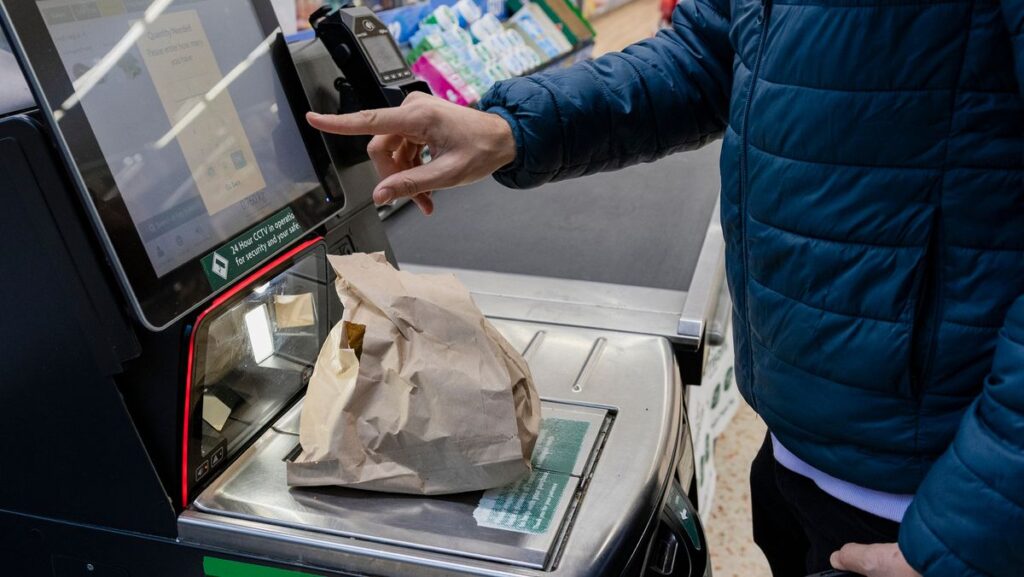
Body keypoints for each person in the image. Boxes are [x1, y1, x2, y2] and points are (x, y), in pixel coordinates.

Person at [305, 0, 1024, 574]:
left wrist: (972, 534)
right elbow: (707, 56)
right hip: (808, 444)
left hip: (942, 495)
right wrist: (509, 127)